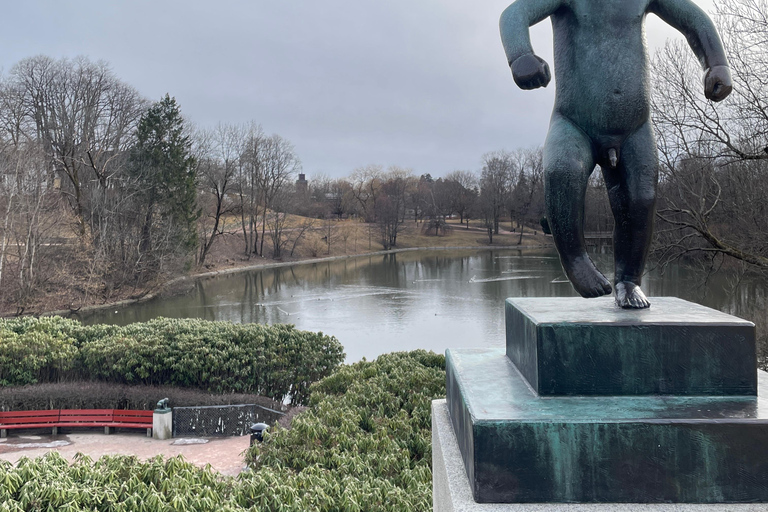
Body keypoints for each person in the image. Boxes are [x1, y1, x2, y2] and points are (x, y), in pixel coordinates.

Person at [500, 0, 732, 308]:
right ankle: (576, 260)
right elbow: (515, 14)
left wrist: (716, 63)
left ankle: (628, 280)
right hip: (574, 122)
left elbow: (695, 21)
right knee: (561, 171)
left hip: (635, 127)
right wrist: (520, 55)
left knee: (641, 199)